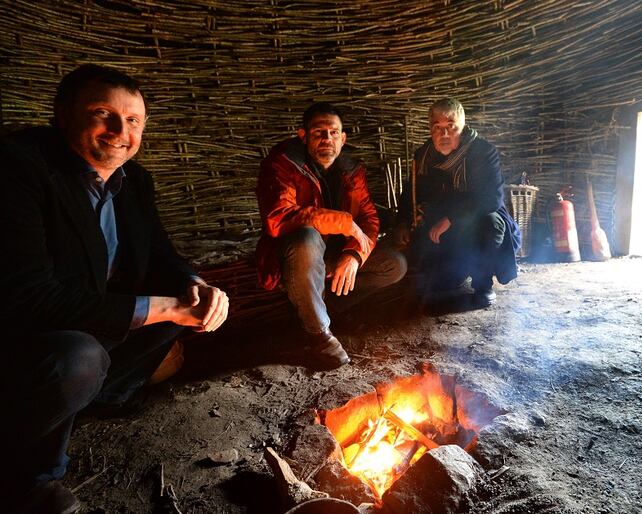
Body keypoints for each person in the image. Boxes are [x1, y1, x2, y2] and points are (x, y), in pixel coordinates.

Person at [0, 64, 229, 513]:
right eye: (103, 113)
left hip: (92, 319)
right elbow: (24, 297)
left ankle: (96, 396)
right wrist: (162, 306)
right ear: (62, 113)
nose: (119, 131)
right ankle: (27, 478)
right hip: (26, 335)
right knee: (79, 357)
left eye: (133, 120)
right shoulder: (19, 169)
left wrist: (194, 284)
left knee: (186, 307)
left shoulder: (133, 182)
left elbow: (161, 254)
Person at [256, 103, 407, 370]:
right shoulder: (283, 164)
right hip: (297, 260)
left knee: (394, 265)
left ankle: (318, 311)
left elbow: (369, 219)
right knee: (306, 238)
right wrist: (344, 223)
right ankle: (319, 335)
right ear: (303, 136)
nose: (327, 139)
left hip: (334, 258)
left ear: (343, 138)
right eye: (319, 133)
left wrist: (353, 255)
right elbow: (277, 217)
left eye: (333, 133)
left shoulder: (351, 170)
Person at [395, 97, 521, 306]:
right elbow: (412, 192)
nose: (444, 134)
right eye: (437, 127)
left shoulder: (482, 152)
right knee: (436, 286)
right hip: (442, 228)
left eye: (450, 127)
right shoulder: (423, 156)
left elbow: (491, 199)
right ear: (430, 130)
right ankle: (455, 271)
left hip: (478, 222)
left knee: (492, 223)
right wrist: (402, 222)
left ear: (462, 127)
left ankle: (483, 284)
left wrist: (451, 218)